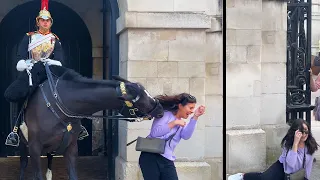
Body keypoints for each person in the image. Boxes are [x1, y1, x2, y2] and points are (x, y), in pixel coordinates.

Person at [4, 0, 88, 147]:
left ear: (51, 23)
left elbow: (60, 59)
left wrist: (51, 63)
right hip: (32, 71)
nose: (45, 23)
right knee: (21, 94)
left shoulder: (54, 39)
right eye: (42, 20)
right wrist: (25, 64)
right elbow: (20, 55)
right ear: (38, 22)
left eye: (47, 21)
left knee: (67, 92)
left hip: (50, 71)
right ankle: (15, 131)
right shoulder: (29, 37)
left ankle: (77, 126)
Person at [138, 93, 206, 180]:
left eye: (193, 108)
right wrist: (174, 123)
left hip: (167, 159)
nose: (192, 111)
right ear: (180, 106)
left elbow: (186, 136)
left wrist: (195, 116)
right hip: (150, 156)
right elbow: (155, 133)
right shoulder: (165, 114)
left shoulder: (181, 122)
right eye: (190, 108)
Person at [228, 119, 318, 180]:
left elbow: (308, 165)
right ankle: (243, 176)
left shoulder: (310, 145)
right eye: (301, 132)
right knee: (263, 178)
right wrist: (295, 143)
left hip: (295, 174)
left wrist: (307, 178)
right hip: (282, 167)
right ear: (295, 132)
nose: (304, 134)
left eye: (306, 131)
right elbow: (291, 163)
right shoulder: (289, 143)